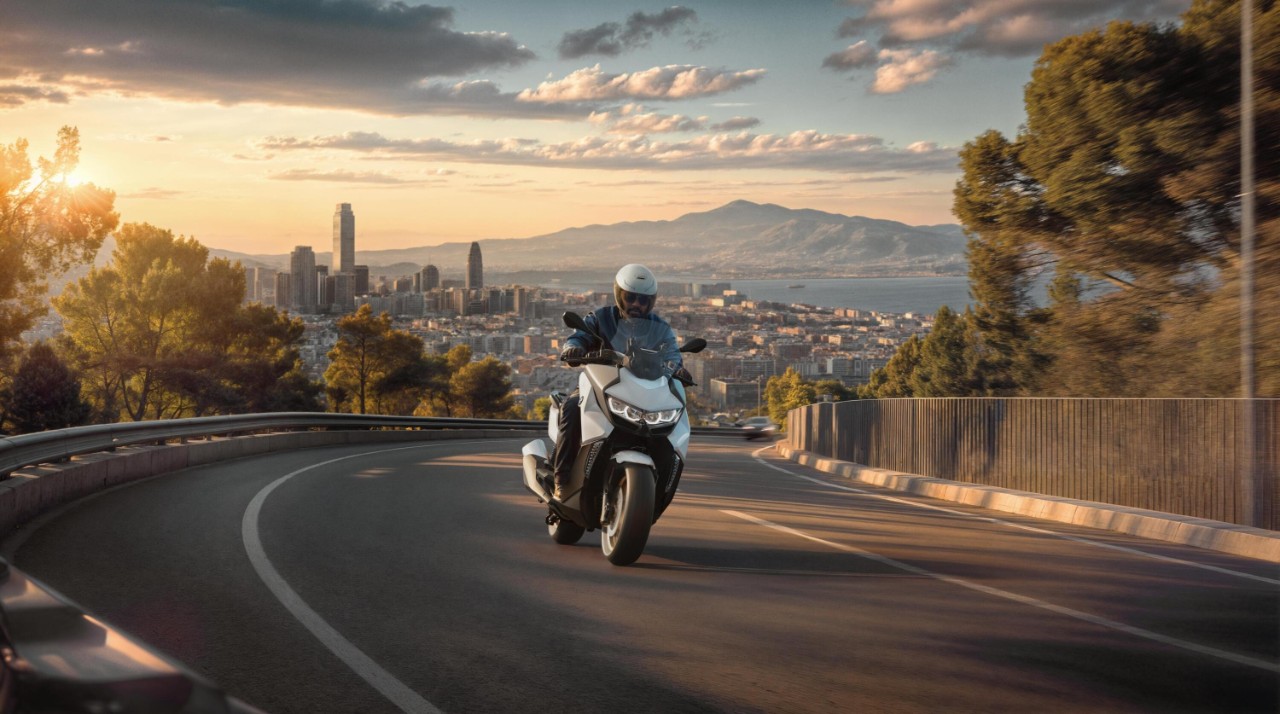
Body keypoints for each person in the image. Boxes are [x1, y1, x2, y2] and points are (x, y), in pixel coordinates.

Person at [552, 263, 692, 501]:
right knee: (571, 408)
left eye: (643, 300)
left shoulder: (661, 329)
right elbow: (579, 336)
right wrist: (573, 348)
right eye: (631, 297)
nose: (637, 304)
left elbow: (672, 355)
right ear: (620, 295)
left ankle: (657, 491)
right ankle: (561, 478)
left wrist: (679, 369)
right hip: (601, 385)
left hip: (641, 391)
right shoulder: (600, 318)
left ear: (651, 302)